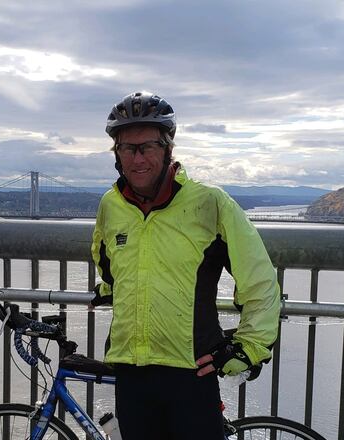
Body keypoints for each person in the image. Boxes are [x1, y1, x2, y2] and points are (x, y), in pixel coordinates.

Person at [90, 91, 281, 440]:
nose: (138, 159)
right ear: (116, 154)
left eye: (147, 146)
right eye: (127, 148)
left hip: (191, 373)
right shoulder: (110, 205)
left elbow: (261, 281)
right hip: (131, 374)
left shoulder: (210, 203)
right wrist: (110, 290)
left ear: (167, 148)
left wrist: (248, 347)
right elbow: (107, 265)